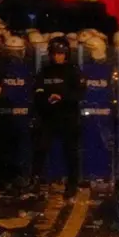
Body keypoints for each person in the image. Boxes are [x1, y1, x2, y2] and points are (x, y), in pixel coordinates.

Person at [31, 36, 86, 197]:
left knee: (71, 152)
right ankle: (36, 181)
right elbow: (37, 90)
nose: (58, 57)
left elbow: (79, 93)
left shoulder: (73, 70)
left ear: (66, 54)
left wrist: (62, 97)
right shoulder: (45, 70)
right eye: (55, 54)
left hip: (68, 116)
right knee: (40, 148)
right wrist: (45, 98)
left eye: (61, 53)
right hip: (48, 116)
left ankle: (72, 184)